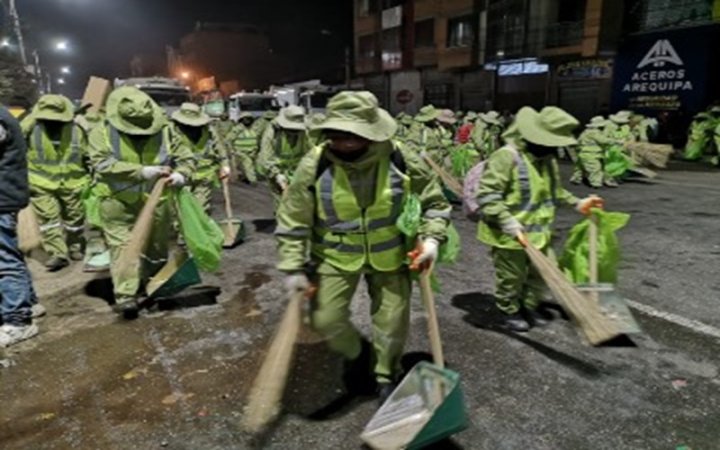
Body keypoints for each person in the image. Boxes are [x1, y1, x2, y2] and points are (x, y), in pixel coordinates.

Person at [275, 91, 451, 402]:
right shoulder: (313, 164)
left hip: (392, 257)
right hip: (333, 258)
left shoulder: (400, 157)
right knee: (324, 318)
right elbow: (292, 219)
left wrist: (433, 238)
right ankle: (358, 352)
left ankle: (385, 372)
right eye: (337, 136)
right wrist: (292, 266)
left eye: (353, 136)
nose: (344, 144)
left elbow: (435, 203)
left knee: (392, 320)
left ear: (371, 134)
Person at [474, 106, 603, 332]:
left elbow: (555, 191)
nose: (554, 150)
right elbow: (487, 195)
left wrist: (577, 202)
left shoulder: (547, 159)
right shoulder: (506, 157)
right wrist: (506, 220)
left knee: (541, 274)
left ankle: (528, 305)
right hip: (509, 236)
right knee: (511, 277)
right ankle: (508, 310)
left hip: (540, 233)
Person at [87, 87, 195, 317]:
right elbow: (101, 163)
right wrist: (141, 172)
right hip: (118, 202)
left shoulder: (167, 131)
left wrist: (182, 174)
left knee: (156, 248)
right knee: (123, 248)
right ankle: (127, 295)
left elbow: (186, 157)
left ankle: (155, 286)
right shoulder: (102, 132)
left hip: (158, 201)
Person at [21, 94, 91, 272]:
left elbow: (89, 154)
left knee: (75, 219)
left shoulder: (79, 127)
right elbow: (16, 148)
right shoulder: (29, 125)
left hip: (73, 182)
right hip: (40, 182)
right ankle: (58, 253)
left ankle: (75, 246)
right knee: (48, 219)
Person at [0, 104, 40, 346]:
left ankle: (18, 321)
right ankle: (30, 304)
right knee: (9, 255)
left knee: (4, 261)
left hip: (2, 199)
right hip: (6, 196)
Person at [170, 103, 230, 213]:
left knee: (200, 210)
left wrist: (225, 165)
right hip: (182, 176)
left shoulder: (209, 130)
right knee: (180, 211)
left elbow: (220, 148)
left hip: (204, 176)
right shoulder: (172, 130)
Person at [256, 105, 311, 207]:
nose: (294, 132)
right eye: (291, 130)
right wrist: (277, 174)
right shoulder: (273, 132)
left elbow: (310, 152)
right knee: (281, 203)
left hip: (297, 171)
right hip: (276, 170)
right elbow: (266, 156)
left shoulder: (306, 131)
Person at [570, 116, 615, 189]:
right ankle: (596, 183)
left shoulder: (585, 132)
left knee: (579, 168)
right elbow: (603, 140)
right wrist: (614, 141)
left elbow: (579, 141)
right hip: (592, 154)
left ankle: (576, 179)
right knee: (595, 168)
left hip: (583, 153)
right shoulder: (595, 132)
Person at [231, 112, 260, 184]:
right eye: (245, 119)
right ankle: (253, 180)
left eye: (249, 119)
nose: (247, 121)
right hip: (241, 152)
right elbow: (229, 140)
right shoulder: (237, 129)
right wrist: (232, 150)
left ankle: (245, 177)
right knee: (248, 165)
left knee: (248, 166)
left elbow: (257, 139)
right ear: (241, 120)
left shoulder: (254, 129)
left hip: (252, 152)